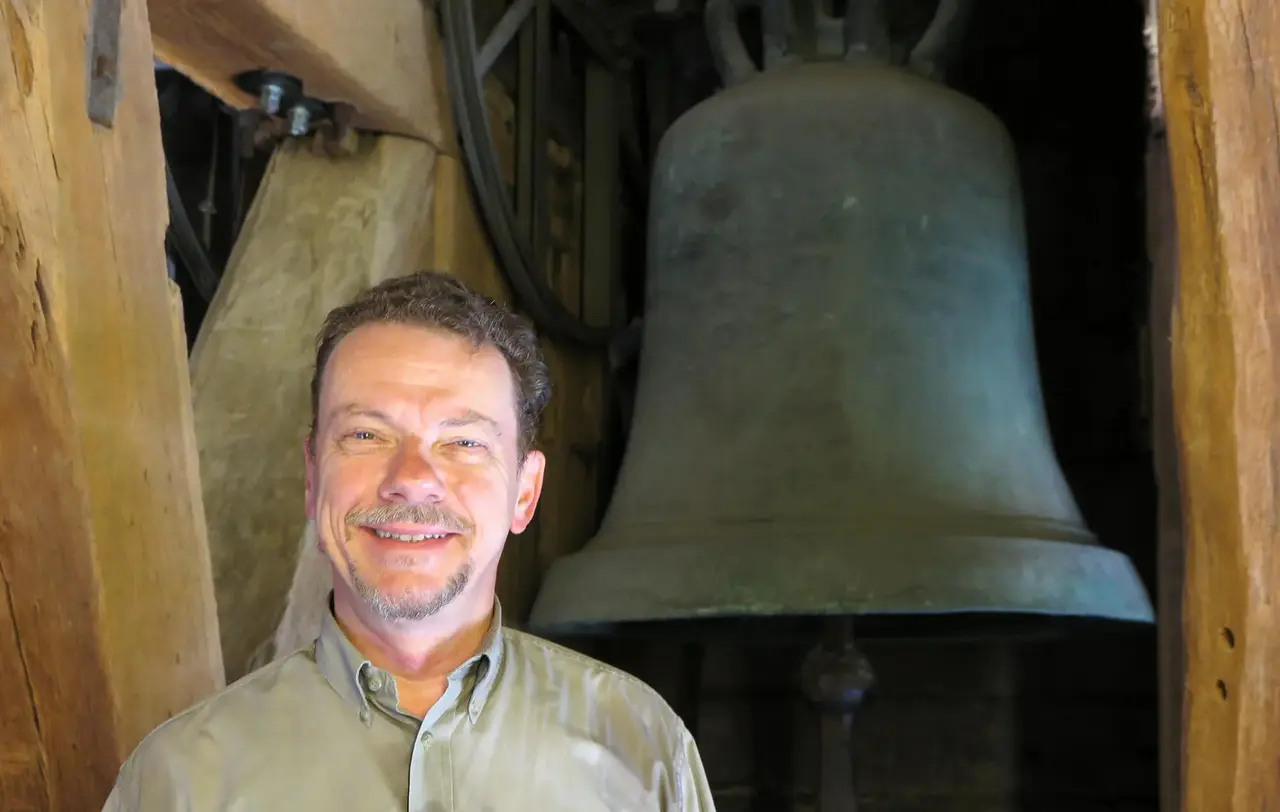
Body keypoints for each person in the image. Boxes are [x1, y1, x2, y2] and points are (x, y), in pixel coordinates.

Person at [104, 270, 716, 811]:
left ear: (525, 494)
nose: (412, 480)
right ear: (314, 482)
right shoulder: (178, 781)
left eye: (464, 442)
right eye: (367, 436)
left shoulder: (642, 749)